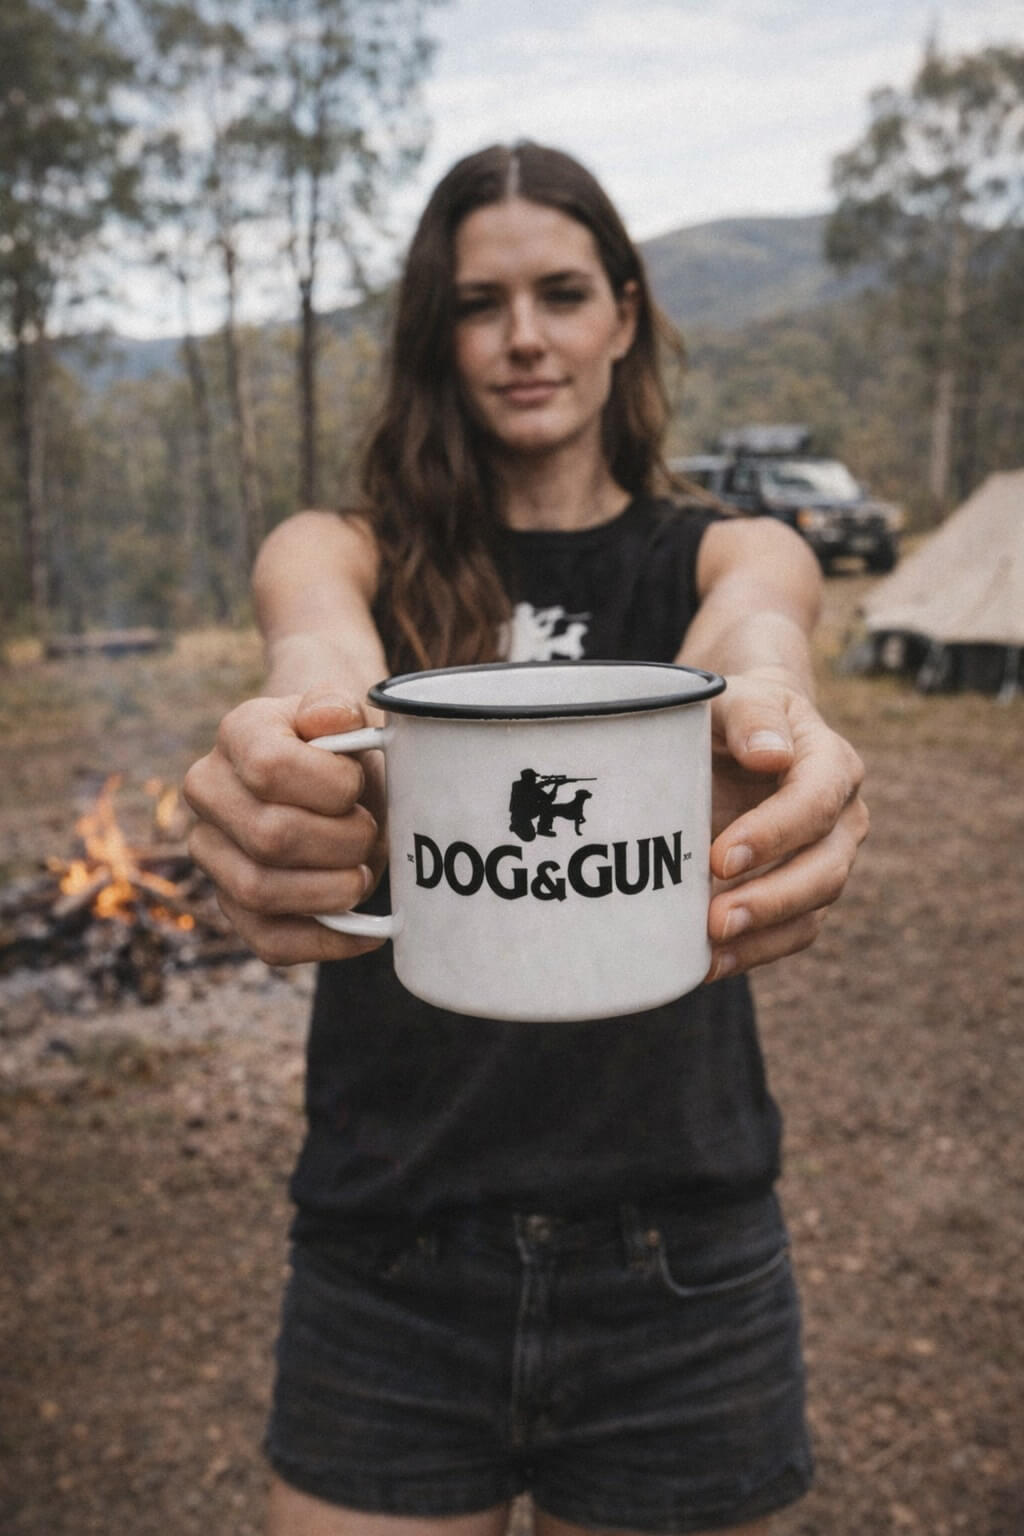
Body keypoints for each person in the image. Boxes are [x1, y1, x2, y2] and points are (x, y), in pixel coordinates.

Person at [184, 141, 868, 1536]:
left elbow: (758, 630)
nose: (523, 338)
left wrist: (775, 716)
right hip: (388, 1253)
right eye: (478, 303)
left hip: (684, 1263)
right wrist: (283, 745)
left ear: (623, 310)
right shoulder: (342, 545)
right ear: (437, 333)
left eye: (561, 293)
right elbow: (313, 638)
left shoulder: (731, 546)